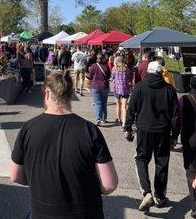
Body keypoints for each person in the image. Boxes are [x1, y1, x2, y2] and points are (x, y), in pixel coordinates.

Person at [10, 70, 118, 219]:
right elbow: (109, 185)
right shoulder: (89, 130)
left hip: (42, 213)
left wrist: (41, 182)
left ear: (47, 94)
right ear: (70, 94)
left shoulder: (27, 129)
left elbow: (15, 176)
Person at [124, 61, 180, 212]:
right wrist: (175, 135)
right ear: (161, 72)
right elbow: (175, 115)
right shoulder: (169, 89)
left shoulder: (140, 87)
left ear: (148, 71)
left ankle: (146, 192)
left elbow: (131, 108)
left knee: (141, 159)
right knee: (162, 162)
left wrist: (128, 128)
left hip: (144, 130)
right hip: (163, 131)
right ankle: (159, 196)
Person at [179, 76, 196, 218]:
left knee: (191, 172)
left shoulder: (184, 99)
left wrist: (173, 135)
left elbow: (177, 119)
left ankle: (195, 206)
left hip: (190, 140)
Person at [88, 54, 111, 125]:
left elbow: (90, 76)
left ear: (97, 59)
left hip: (95, 86)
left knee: (98, 103)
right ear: (103, 58)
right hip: (104, 86)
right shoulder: (106, 66)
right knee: (104, 103)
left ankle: (98, 118)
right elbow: (109, 76)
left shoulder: (93, 66)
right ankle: (104, 118)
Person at [111, 56, 132, 129]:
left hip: (117, 89)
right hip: (125, 90)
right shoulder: (127, 69)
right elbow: (129, 78)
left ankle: (119, 119)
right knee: (124, 107)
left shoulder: (114, 69)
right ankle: (124, 124)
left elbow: (112, 77)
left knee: (118, 105)